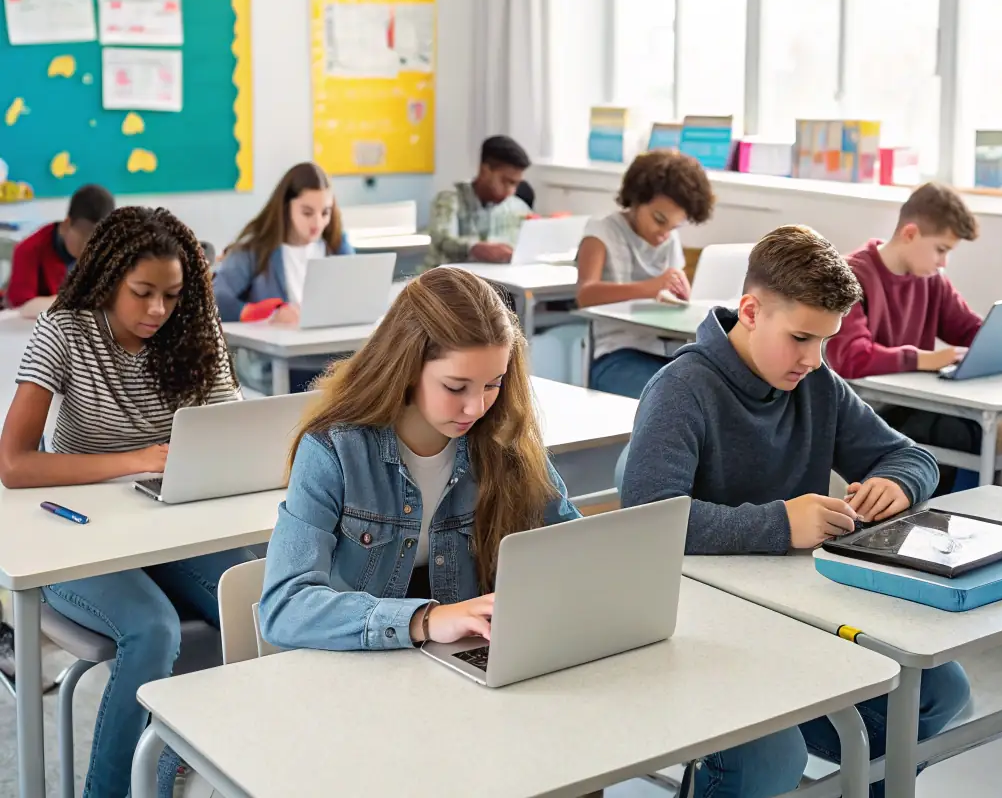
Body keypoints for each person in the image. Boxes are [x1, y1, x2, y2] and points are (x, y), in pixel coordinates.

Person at [620, 225, 970, 798]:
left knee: (939, 695)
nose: (814, 359)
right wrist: (782, 524)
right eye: (802, 338)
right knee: (768, 760)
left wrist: (896, 483)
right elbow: (647, 520)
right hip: (707, 626)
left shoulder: (817, 384)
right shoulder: (681, 390)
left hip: (801, 610)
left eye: (826, 341)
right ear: (751, 311)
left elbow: (911, 456)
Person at [0, 207, 252, 798]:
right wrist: (136, 459)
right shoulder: (65, 331)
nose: (157, 311)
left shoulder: (194, 330)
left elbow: (236, 430)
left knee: (253, 604)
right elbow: (12, 464)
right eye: (142, 293)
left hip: (165, 524)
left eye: (171, 294)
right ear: (110, 277)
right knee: (152, 628)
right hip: (72, 533)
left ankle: (168, 782)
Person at [259, 265, 578, 653]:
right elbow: (284, 607)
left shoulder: (502, 436)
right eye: (455, 387)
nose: (476, 407)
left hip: (465, 659)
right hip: (360, 666)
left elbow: (573, 546)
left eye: (493, 384)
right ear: (408, 367)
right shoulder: (333, 450)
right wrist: (423, 620)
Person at [827, 182, 1002, 491]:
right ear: (910, 233)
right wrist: (924, 359)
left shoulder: (932, 281)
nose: (943, 262)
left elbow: (970, 330)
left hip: (920, 404)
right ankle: (958, 521)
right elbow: (852, 357)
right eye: (941, 250)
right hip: (871, 411)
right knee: (970, 434)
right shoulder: (851, 275)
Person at [577, 151, 714, 398]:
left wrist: (681, 298)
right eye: (658, 219)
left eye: (673, 226)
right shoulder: (602, 231)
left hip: (666, 354)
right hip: (615, 354)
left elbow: (674, 298)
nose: (663, 233)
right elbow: (585, 294)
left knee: (710, 394)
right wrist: (650, 287)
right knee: (675, 398)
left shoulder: (669, 240)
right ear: (638, 199)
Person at [213, 161, 353, 392]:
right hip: (277, 365)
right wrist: (270, 313)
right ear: (285, 207)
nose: (317, 223)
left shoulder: (337, 245)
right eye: (307, 212)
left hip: (332, 358)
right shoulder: (254, 249)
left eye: (325, 212)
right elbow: (216, 298)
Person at [4, 183, 114, 315]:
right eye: (84, 234)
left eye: (98, 238)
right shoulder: (29, 249)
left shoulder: (108, 250)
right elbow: (21, 309)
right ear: (67, 224)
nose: (89, 246)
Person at [425, 135, 531, 268]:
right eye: (506, 181)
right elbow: (442, 239)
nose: (511, 191)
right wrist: (474, 248)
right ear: (485, 170)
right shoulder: (450, 199)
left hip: (498, 283)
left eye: (516, 184)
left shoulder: (518, 207)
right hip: (449, 282)